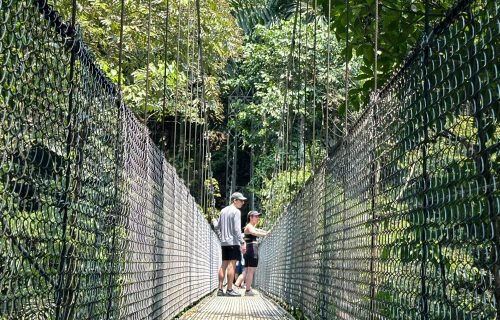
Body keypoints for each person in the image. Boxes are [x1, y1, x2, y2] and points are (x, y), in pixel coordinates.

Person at [212, 192, 247, 296]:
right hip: (233, 243)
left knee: (223, 265)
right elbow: (237, 229)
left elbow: (217, 226)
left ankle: (219, 289)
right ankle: (229, 289)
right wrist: (242, 242)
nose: (243, 202)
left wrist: (214, 221)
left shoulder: (222, 211)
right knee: (232, 266)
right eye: (241, 200)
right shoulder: (236, 212)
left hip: (224, 243)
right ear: (234, 200)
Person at [243, 210, 269, 296]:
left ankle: (248, 288)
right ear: (251, 217)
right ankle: (247, 290)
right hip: (251, 249)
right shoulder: (249, 226)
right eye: (256, 216)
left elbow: (258, 230)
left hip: (250, 249)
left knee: (249, 270)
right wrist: (265, 235)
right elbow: (254, 232)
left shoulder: (251, 226)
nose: (258, 218)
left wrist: (266, 232)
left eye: (258, 216)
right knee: (251, 270)